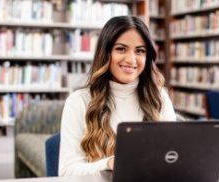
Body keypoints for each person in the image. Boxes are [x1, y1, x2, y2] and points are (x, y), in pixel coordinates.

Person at [58, 15, 176, 177]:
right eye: (121, 49)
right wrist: (108, 163)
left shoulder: (159, 98)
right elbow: (67, 173)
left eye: (140, 51)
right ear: (105, 53)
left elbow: (173, 159)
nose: (131, 59)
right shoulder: (79, 101)